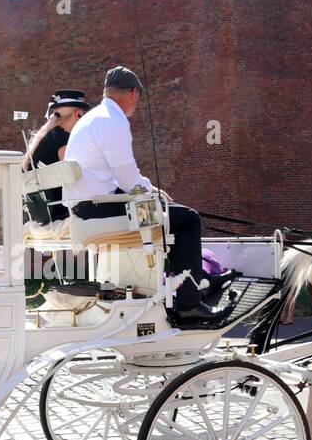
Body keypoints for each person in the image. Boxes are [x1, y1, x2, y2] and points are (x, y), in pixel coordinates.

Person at [63, 65, 217, 319]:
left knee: (173, 214)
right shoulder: (113, 122)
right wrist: (152, 193)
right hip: (100, 208)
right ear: (133, 93)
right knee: (188, 219)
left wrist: (150, 189)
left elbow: (123, 177)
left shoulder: (92, 118)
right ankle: (189, 304)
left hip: (88, 205)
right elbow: (128, 179)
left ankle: (173, 291)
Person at [23, 90, 90, 222]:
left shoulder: (43, 137)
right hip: (64, 213)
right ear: (78, 115)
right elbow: (74, 178)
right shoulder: (63, 137)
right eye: (83, 116)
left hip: (43, 212)